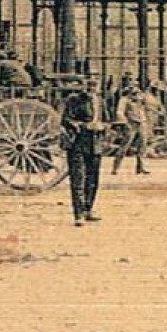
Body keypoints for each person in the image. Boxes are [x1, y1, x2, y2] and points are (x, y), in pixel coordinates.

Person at [60, 82, 107, 226]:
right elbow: (66, 119)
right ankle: (78, 214)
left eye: (95, 84)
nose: (92, 88)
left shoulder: (100, 101)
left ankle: (88, 209)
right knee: (78, 178)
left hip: (96, 142)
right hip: (78, 142)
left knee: (93, 179)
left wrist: (104, 126)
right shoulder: (74, 100)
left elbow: (106, 119)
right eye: (89, 85)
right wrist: (80, 125)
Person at [111, 84, 150, 175]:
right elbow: (119, 112)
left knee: (142, 145)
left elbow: (146, 108)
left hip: (141, 122)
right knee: (125, 145)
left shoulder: (139, 99)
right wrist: (125, 122)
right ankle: (116, 167)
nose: (136, 92)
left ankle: (141, 167)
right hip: (131, 123)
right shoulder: (124, 100)